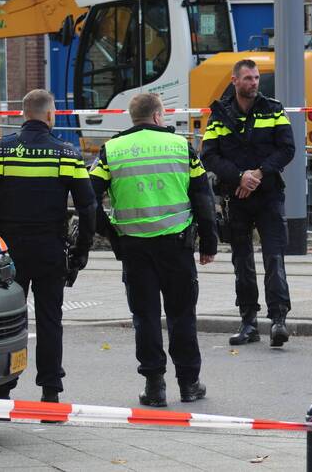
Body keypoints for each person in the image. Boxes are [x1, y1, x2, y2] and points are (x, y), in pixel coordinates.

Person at [0, 89, 96, 405]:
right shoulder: (66, 153)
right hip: (50, 248)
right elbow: (88, 207)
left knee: (9, 318)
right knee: (50, 319)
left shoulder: (1, 149)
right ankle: (50, 391)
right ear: (50, 116)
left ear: (24, 114)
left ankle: (3, 388)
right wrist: (81, 250)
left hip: (11, 249)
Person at [90, 92, 218, 407]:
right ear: (159, 115)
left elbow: (87, 198)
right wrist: (209, 242)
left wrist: (112, 234)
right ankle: (189, 384)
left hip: (134, 248)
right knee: (182, 315)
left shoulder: (112, 150)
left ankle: (155, 387)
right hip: (176, 246)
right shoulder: (181, 146)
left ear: (132, 117)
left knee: (145, 316)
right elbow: (203, 196)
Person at [201, 59, 295, 348]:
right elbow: (208, 155)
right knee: (242, 262)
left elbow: (287, 148)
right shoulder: (218, 116)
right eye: (248, 78)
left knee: (274, 259)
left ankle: (278, 321)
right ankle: (248, 322)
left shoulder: (274, 109)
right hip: (236, 199)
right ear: (235, 81)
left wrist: (258, 173)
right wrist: (240, 177)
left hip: (268, 196)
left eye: (256, 78)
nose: (254, 83)